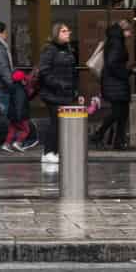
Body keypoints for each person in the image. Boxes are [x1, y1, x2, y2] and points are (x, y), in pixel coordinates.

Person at [34, 22, 80, 168]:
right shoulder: (50, 49)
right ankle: (48, 152)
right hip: (53, 93)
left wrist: (75, 91)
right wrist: (58, 84)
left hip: (65, 92)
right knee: (55, 121)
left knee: (60, 123)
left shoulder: (68, 49)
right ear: (57, 34)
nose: (68, 33)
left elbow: (73, 72)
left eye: (68, 30)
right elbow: (44, 71)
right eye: (64, 31)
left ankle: (54, 151)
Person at [0, 21, 30, 152]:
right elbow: (2, 67)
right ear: (0, 32)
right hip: (0, 86)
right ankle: (15, 141)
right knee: (12, 115)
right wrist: (11, 84)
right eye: (5, 32)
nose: (6, 34)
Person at [95, 19, 133, 149]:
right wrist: (125, 73)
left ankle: (118, 141)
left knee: (122, 113)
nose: (130, 34)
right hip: (115, 82)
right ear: (124, 30)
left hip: (114, 82)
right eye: (129, 31)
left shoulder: (114, 40)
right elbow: (112, 63)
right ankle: (99, 134)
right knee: (118, 112)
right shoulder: (117, 42)